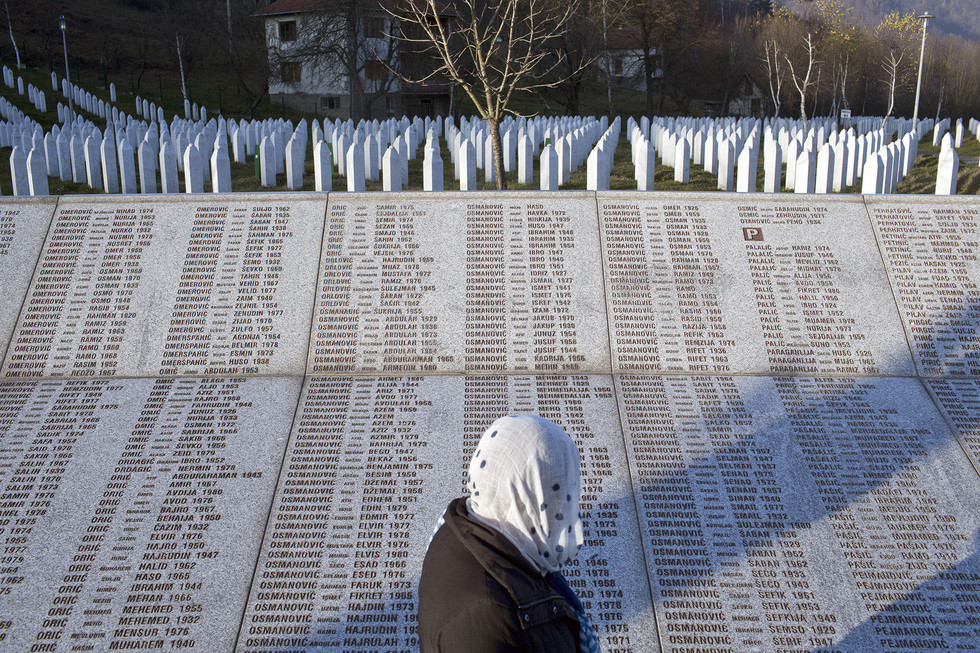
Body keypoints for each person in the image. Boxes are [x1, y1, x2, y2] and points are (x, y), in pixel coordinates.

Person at [418, 414, 601, 652]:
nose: (567, 502)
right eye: (557, 488)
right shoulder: (486, 627)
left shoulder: (460, 525)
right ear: (528, 494)